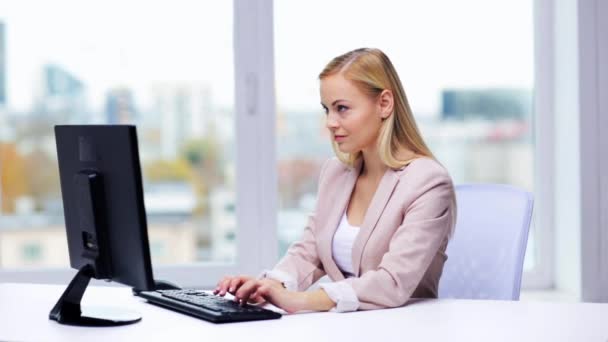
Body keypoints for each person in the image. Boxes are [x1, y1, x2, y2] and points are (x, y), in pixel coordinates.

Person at [213, 48, 457, 313]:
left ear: (384, 104)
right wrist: (267, 287)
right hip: (345, 328)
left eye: (342, 108)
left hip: (403, 327)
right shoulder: (336, 173)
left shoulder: (428, 182)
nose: (330, 122)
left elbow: (392, 282)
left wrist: (302, 301)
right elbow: (309, 253)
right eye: (326, 109)